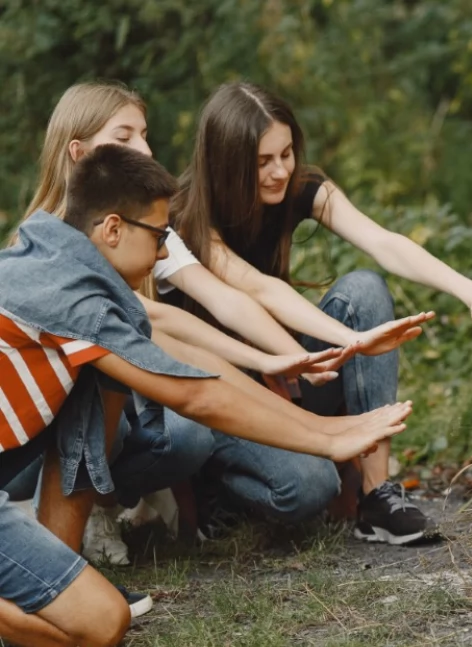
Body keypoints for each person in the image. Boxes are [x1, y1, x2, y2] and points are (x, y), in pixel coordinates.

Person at [0, 144, 415, 646]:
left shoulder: (59, 263)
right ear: (112, 229)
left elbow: (192, 364)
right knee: (104, 623)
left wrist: (326, 427)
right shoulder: (76, 303)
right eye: (159, 236)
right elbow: (193, 398)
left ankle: (52, 575)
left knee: (100, 388)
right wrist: (326, 442)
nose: (163, 253)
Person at [8, 80, 363, 565]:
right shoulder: (67, 277)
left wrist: (279, 367)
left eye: (144, 134)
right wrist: (327, 435)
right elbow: (184, 375)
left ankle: (72, 542)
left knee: (130, 400)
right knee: (136, 407)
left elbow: (194, 325)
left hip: (94, 420)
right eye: (125, 137)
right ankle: (55, 533)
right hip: (27, 453)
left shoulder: (95, 234)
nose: (145, 149)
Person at [169, 80, 472, 545]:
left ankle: (377, 496)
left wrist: (467, 289)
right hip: (228, 393)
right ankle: (219, 488)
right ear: (226, 163)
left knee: (364, 289)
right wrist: (351, 341)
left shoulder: (302, 186)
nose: (280, 171)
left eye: (286, 153)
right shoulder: (186, 217)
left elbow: (380, 241)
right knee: (310, 489)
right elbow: (259, 289)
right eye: (262, 162)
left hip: (287, 373)